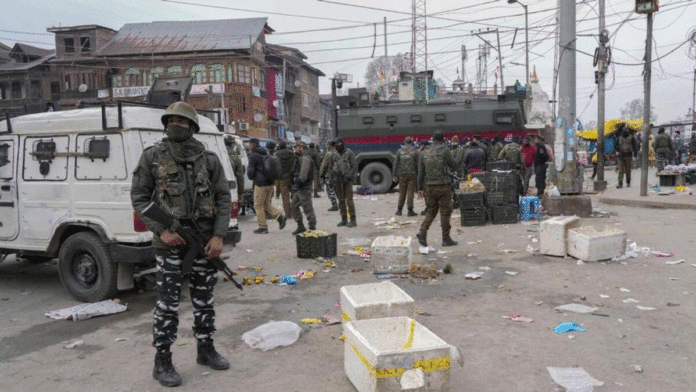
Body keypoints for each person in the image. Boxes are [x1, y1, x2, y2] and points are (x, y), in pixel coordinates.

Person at [130, 102, 231, 387]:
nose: (176, 124)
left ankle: (206, 349)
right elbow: (140, 197)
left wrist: (218, 236)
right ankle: (162, 361)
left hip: (204, 242)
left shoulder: (209, 159)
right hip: (169, 242)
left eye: (182, 121)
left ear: (192, 126)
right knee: (167, 304)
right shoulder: (152, 157)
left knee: (204, 300)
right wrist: (162, 230)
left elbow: (223, 198)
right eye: (171, 120)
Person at [416, 130, 458, 248]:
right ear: (442, 139)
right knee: (445, 212)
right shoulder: (445, 151)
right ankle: (446, 238)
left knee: (431, 211)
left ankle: (422, 231)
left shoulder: (424, 153)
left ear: (432, 139)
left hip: (429, 187)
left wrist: (420, 188)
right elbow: (454, 165)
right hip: (443, 186)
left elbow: (420, 172)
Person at [247, 138, 287, 234]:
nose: (248, 146)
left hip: (260, 184)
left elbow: (250, 173)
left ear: (253, 144)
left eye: (249, 144)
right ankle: (279, 217)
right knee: (266, 204)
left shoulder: (254, 156)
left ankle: (263, 227)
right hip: (270, 183)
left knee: (258, 205)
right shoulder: (266, 153)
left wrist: (252, 177)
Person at [290, 142, 317, 234]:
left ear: (301, 147)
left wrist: (298, 183)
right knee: (294, 206)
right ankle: (300, 225)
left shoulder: (305, 158)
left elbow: (303, 174)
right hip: (299, 187)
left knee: (307, 207)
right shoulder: (300, 158)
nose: (295, 149)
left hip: (304, 186)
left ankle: (312, 226)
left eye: (296, 147)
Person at [330, 137, 357, 227]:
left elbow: (354, 167)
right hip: (337, 180)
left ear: (342, 144)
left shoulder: (349, 153)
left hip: (347, 180)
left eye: (339, 144)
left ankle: (353, 220)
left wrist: (348, 177)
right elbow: (330, 168)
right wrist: (331, 180)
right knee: (341, 201)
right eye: (336, 145)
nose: (338, 146)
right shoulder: (333, 155)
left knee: (349, 200)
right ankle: (344, 219)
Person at [393, 136, 419, 216]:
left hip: (402, 175)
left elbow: (396, 164)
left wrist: (394, 175)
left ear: (404, 142)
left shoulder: (400, 151)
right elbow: (418, 165)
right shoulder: (415, 152)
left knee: (402, 192)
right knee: (410, 192)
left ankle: (399, 210)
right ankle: (410, 210)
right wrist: (418, 175)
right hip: (412, 175)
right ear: (411, 142)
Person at [275, 141, 297, 219]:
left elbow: (276, 167)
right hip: (291, 177)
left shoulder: (276, 155)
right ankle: (295, 212)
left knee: (285, 197)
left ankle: (288, 214)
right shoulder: (292, 154)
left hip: (282, 179)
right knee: (294, 195)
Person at [224, 135, 245, 210]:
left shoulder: (218, 153)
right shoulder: (235, 156)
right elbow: (240, 177)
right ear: (232, 144)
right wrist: (240, 193)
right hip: (231, 186)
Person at [319, 141, 339, 211]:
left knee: (330, 190)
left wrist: (321, 174)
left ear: (330, 145)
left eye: (327, 145)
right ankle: (340, 204)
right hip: (337, 175)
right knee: (337, 190)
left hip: (329, 175)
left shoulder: (328, 154)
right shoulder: (337, 153)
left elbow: (324, 165)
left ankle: (334, 205)